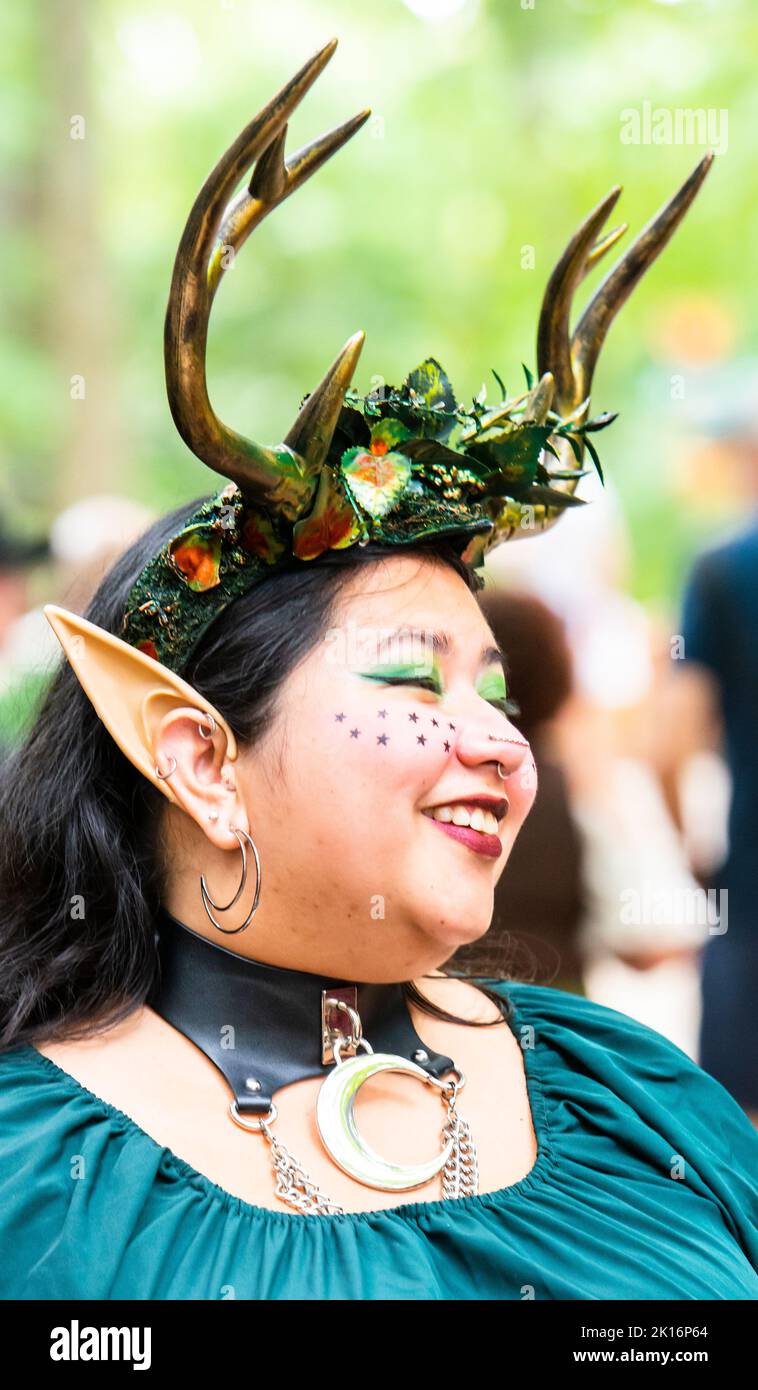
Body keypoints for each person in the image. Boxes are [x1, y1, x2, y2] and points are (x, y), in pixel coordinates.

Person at [0, 39, 755, 1302]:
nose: (501, 743)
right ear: (196, 754)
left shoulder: (637, 1096)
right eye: (415, 683)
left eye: (498, 694)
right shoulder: (35, 1175)